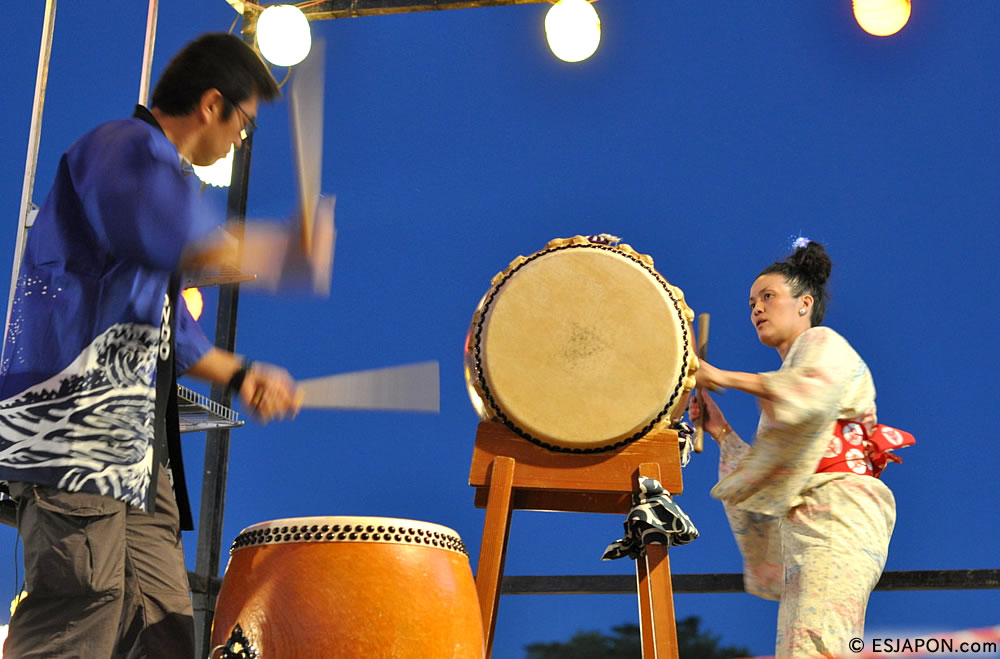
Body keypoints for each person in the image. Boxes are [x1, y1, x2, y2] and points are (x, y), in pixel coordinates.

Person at [0, 33, 301, 658]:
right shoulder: (123, 149)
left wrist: (244, 375)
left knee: (162, 630)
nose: (243, 139)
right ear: (212, 105)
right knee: (76, 620)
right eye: (244, 122)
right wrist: (279, 248)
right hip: (77, 435)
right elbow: (169, 237)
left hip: (135, 462)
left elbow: (171, 332)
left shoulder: (159, 177)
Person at [691, 241, 913, 658]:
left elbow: (810, 390)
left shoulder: (822, 343)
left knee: (817, 641)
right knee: (804, 642)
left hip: (836, 510)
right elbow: (770, 470)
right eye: (752, 302)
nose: (756, 308)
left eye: (768, 297)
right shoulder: (789, 372)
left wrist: (723, 376)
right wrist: (720, 431)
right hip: (809, 520)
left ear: (804, 303)